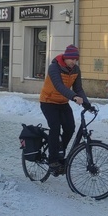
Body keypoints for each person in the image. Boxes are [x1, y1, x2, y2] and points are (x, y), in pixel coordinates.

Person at [39, 45, 92, 175]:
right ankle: (53, 161)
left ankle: (60, 149)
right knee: (55, 128)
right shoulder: (54, 67)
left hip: (62, 102)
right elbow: (59, 86)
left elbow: (78, 88)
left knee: (70, 127)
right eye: (71, 59)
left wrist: (87, 104)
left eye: (76, 59)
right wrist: (73, 97)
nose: (74, 62)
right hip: (48, 101)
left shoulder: (76, 70)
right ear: (65, 57)